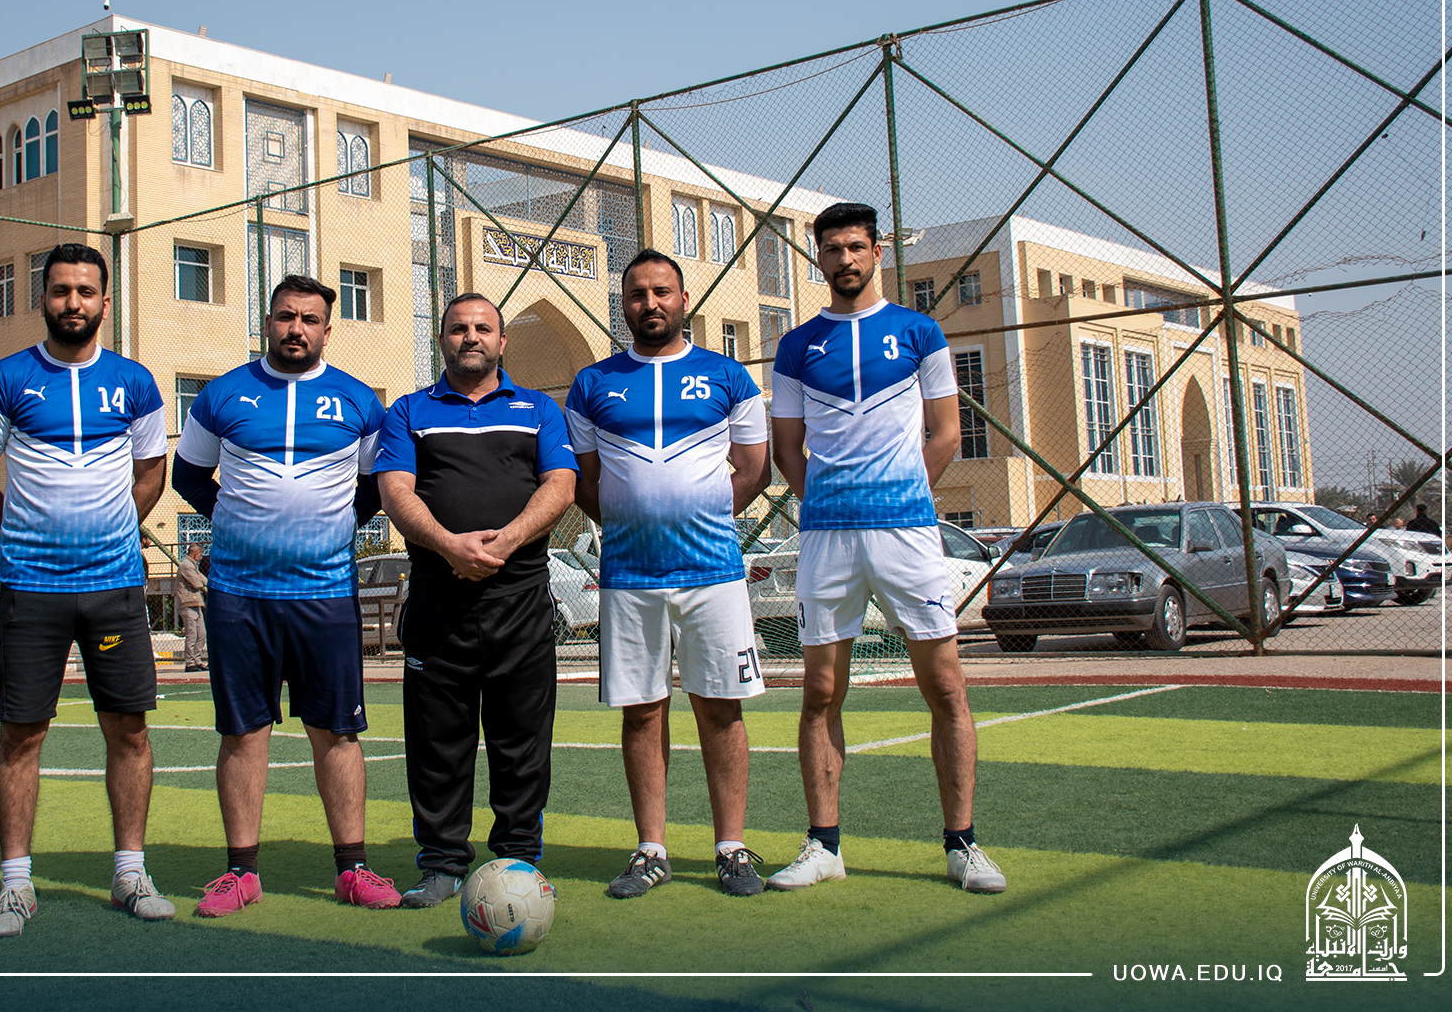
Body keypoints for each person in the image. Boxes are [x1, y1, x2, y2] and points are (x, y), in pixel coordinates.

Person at [767, 202, 1005, 895]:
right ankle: (824, 845)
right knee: (819, 691)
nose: (843, 259)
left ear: (877, 252)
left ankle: (962, 844)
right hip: (827, 539)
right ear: (818, 257)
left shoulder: (920, 332)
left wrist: (900, 498)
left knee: (946, 686)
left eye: (855, 246)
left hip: (907, 534)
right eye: (831, 248)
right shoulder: (797, 346)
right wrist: (829, 504)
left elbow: (946, 433)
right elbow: (787, 448)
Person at [0, 242, 174, 938]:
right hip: (32, 588)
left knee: (129, 731)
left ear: (105, 302)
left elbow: (151, 474)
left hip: (114, 588)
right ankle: (15, 885)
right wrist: (21, 530)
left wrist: (111, 531)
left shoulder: (135, 383)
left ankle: (130, 873)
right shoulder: (7, 378)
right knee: (21, 734)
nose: (72, 302)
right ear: (43, 298)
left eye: (85, 291)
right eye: (60, 290)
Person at [170, 273, 399, 916]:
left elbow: (373, 487)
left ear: (327, 329)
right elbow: (189, 476)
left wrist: (332, 529)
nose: (296, 328)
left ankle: (352, 869)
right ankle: (240, 872)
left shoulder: (359, 401)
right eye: (285, 316)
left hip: (325, 594)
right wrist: (237, 522)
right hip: (239, 596)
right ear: (267, 321)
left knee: (338, 733)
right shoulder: (222, 394)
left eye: (309, 319)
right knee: (244, 732)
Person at [565, 250, 772, 898]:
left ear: (684, 300)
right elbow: (585, 483)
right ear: (623, 304)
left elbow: (755, 469)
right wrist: (635, 522)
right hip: (630, 576)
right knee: (641, 712)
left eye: (661, 292)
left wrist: (698, 516)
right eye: (637, 294)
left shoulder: (728, 376)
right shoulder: (592, 384)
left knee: (721, 709)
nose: (649, 303)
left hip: (714, 572)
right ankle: (650, 849)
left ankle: (731, 847)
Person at [374, 294, 578, 908]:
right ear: (441, 339)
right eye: (458, 328)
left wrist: (505, 542)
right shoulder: (409, 410)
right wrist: (448, 546)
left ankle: (518, 860)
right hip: (439, 600)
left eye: (483, 328)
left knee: (522, 740)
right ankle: (441, 864)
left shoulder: (538, 408)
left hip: (520, 599)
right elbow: (395, 491)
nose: (471, 337)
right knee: (438, 742)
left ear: (502, 341)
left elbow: (561, 484)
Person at [177, 550, 209, 672]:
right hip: (187, 603)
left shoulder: (193, 566)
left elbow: (205, 582)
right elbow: (197, 584)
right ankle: (190, 662)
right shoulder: (186, 565)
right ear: (195, 553)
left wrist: (199, 577)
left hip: (196, 603)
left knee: (201, 634)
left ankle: (197, 660)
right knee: (192, 634)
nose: (201, 558)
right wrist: (198, 579)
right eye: (200, 555)